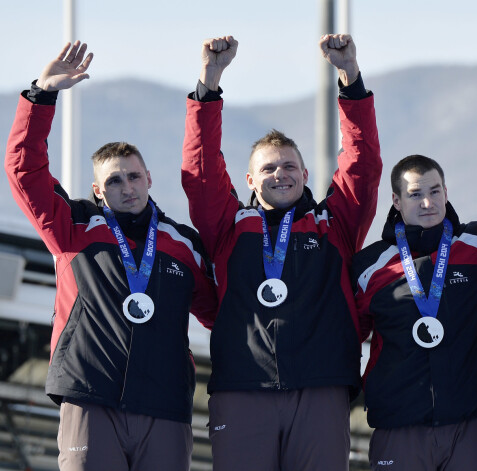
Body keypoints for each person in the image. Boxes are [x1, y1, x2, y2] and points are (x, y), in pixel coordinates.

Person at [4, 41, 218, 471]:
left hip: (165, 405)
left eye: (134, 176)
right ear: (98, 190)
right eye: (115, 181)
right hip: (90, 396)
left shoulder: (183, 243)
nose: (128, 187)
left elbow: (222, 312)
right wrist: (42, 94)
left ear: (150, 178)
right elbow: (26, 171)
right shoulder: (73, 228)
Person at [180, 34, 381, 470]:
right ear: (249, 181)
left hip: (322, 385)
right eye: (268, 168)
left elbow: (362, 164)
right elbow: (200, 171)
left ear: (306, 174)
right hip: (241, 386)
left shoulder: (334, 225)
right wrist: (209, 82)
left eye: (289, 165)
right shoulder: (229, 227)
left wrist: (350, 79)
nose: (280, 174)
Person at [349, 127, 477, 470]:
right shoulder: (370, 266)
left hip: (470, 424)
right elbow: (348, 336)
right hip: (399, 426)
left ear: (446, 192)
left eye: (435, 191)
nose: (427, 203)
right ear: (396, 201)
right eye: (415, 194)